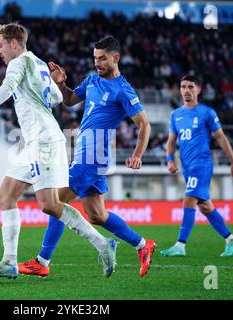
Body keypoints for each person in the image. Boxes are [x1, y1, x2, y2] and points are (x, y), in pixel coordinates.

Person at [0, 23, 117, 280]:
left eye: (1, 45)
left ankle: (102, 244)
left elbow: (7, 89)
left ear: (14, 43)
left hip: (43, 142)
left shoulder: (17, 63)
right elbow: (57, 100)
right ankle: (9, 261)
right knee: (6, 195)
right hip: (37, 141)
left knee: (50, 205)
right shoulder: (38, 63)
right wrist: (48, 89)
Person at [18, 36, 156, 278]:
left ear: (116, 58)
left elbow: (144, 124)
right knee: (96, 215)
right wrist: (61, 84)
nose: (97, 63)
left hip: (93, 156)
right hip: (85, 154)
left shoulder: (123, 89)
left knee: (55, 203)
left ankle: (43, 261)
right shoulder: (92, 80)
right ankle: (142, 245)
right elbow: (70, 100)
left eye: (102, 58)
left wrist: (137, 155)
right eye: (95, 58)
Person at [160, 74, 233, 257]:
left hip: (202, 165)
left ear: (199, 89)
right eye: (183, 87)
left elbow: (221, 137)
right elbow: (172, 140)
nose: (186, 90)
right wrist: (170, 159)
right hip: (187, 167)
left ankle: (180, 245)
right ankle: (231, 240)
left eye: (190, 87)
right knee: (205, 207)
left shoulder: (207, 113)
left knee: (188, 199)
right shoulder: (176, 115)